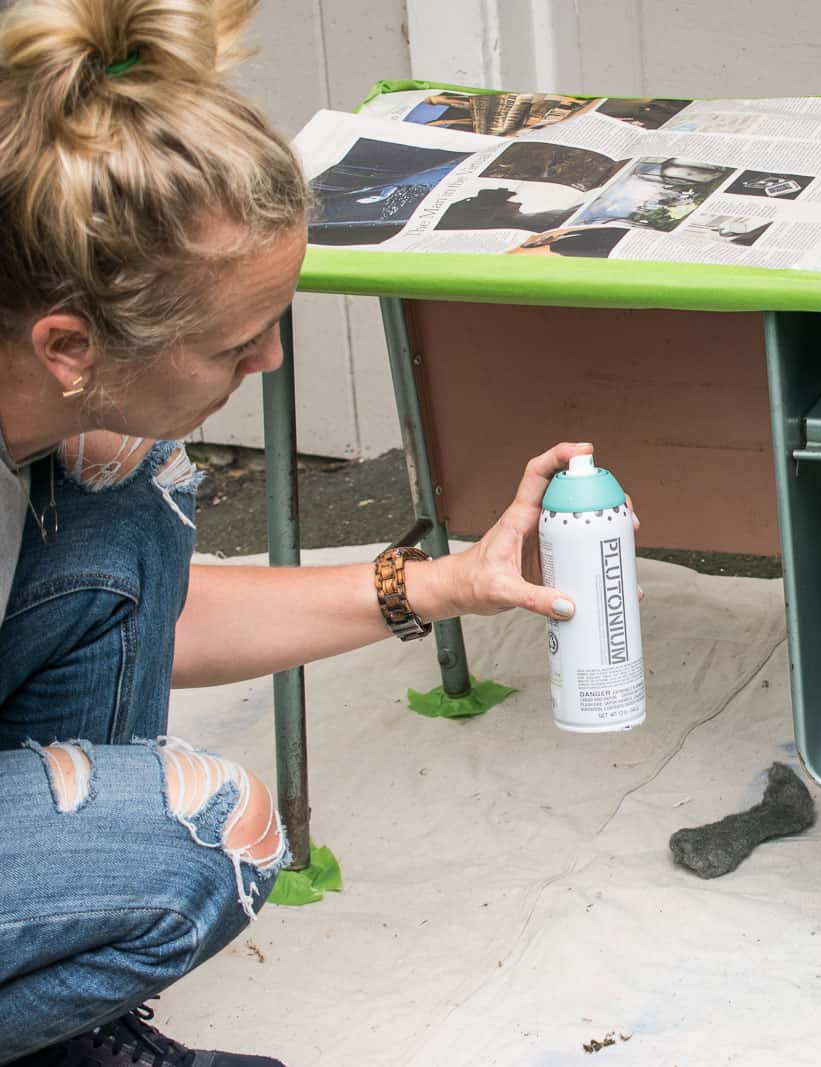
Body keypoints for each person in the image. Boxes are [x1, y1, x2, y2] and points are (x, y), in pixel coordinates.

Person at [0, 1, 604, 1062]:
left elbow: (147, 620)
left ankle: (67, 1040)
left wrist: (444, 582)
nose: (271, 363)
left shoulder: (55, 417)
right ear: (66, 344)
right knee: (200, 835)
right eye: (236, 342)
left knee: (123, 481)